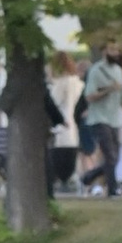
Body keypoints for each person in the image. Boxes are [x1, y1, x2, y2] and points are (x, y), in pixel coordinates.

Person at [81, 47, 122, 194]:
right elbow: (89, 96)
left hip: (114, 119)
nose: (116, 54)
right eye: (112, 51)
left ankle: (89, 176)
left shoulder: (118, 71)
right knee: (110, 154)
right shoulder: (96, 71)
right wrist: (109, 89)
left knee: (115, 156)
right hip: (99, 118)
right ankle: (112, 189)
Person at [47, 53, 83, 195]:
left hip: (61, 123)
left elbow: (53, 102)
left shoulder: (61, 83)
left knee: (60, 154)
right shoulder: (77, 82)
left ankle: (62, 180)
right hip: (73, 123)